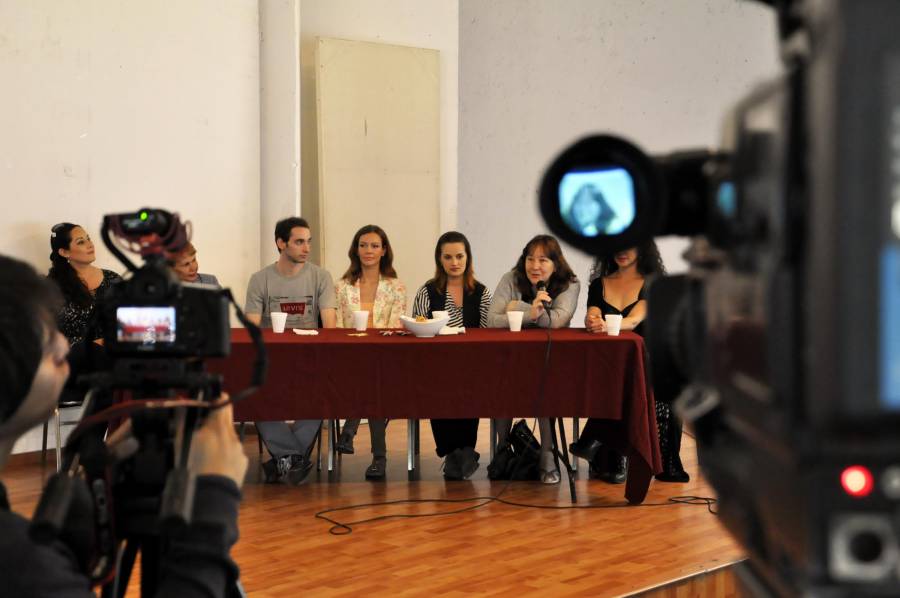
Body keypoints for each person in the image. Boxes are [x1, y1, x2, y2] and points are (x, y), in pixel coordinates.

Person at [0, 255, 247, 597]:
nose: (61, 345)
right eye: (42, 331)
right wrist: (212, 499)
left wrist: (76, 529)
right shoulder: (21, 566)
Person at [572, 240, 688, 482]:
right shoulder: (598, 284)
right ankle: (605, 451)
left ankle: (596, 440)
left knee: (629, 377)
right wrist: (592, 320)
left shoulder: (654, 283)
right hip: (613, 366)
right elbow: (592, 312)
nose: (621, 252)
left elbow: (634, 320)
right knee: (617, 376)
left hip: (653, 365)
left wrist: (607, 324)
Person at [245, 217, 337, 484]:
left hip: (310, 359)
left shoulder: (321, 276)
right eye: (299, 242)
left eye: (308, 241)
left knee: (324, 391)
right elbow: (252, 329)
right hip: (272, 360)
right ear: (281, 243)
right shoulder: (260, 279)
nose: (306, 248)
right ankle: (293, 458)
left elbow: (329, 325)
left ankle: (284, 460)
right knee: (256, 393)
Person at [486, 234, 580, 484]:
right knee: (500, 384)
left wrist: (515, 307)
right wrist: (531, 310)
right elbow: (491, 320)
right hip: (511, 357)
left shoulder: (569, 283)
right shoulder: (511, 278)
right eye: (530, 259)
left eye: (543, 260)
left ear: (556, 264)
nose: (535, 266)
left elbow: (557, 320)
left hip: (551, 360)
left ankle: (548, 454)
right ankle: (502, 449)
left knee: (545, 388)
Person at [411, 231, 493, 480]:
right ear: (440, 259)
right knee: (438, 387)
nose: (454, 262)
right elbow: (418, 325)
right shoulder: (427, 291)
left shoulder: (481, 292)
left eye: (459, 256)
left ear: (468, 258)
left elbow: (488, 331)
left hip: (473, 364)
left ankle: (464, 451)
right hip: (436, 365)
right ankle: (454, 453)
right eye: (448, 257)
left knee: (470, 387)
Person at [332, 225, 407, 480]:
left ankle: (349, 431)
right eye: (363, 245)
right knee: (371, 384)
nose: (368, 250)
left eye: (375, 245)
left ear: (384, 251)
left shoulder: (396, 287)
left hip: (383, 357)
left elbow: (395, 327)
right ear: (355, 249)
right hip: (349, 357)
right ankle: (379, 458)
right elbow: (339, 326)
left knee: (374, 379)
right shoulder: (341, 287)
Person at [48, 222, 122, 346]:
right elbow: (47, 336)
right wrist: (93, 344)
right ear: (64, 252)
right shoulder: (52, 287)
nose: (90, 245)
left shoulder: (112, 279)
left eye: (88, 239)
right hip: (74, 361)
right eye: (81, 242)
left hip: (113, 358)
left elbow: (130, 319)